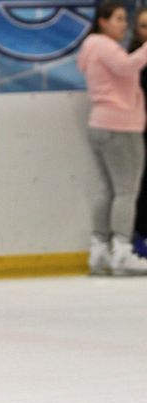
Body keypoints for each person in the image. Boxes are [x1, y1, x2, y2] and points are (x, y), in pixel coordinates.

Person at [77, 1, 147, 275]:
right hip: (121, 125)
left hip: (102, 123)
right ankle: (121, 249)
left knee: (109, 189)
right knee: (126, 191)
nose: (124, 24)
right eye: (118, 18)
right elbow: (128, 67)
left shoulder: (91, 47)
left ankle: (99, 248)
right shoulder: (104, 46)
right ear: (102, 21)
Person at [129, 6, 147, 258]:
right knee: (142, 182)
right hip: (141, 126)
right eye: (144, 26)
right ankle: (140, 234)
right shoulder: (132, 58)